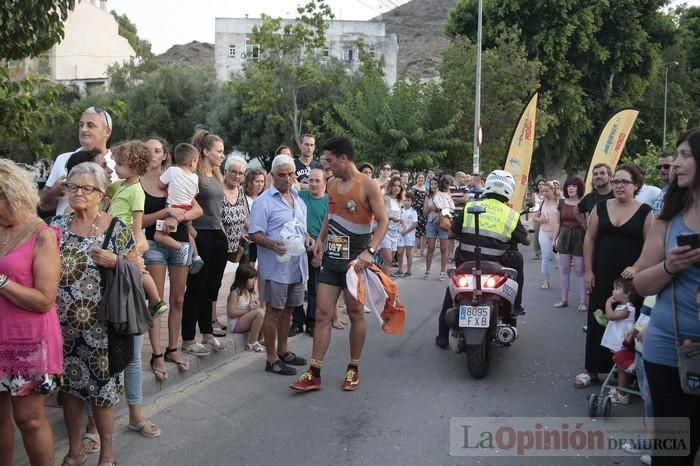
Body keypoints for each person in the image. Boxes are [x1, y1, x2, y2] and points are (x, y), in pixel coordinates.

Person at [49, 162, 135, 466]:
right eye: (72, 186)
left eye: (86, 188)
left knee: (102, 393)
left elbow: (138, 270)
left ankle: (107, 454)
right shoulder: (56, 227)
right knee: (69, 390)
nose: (78, 193)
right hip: (62, 328)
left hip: (102, 328)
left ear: (102, 194)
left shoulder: (116, 228)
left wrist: (116, 261)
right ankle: (74, 451)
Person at [290, 136, 388, 392]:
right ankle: (314, 372)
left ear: (344, 158)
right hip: (332, 260)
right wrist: (321, 240)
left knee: (355, 313)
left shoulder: (367, 185)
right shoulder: (331, 183)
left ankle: (353, 368)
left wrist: (370, 251)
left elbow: (383, 221)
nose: (327, 164)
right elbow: (329, 217)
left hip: (355, 263)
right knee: (322, 314)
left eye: (330, 159)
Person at [634, 128, 700, 465]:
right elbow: (642, 284)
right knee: (673, 452)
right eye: (677, 155)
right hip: (668, 349)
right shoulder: (667, 218)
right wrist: (670, 266)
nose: (676, 162)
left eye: (686, 155)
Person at [0, 160, 61, 466]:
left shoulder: (42, 235)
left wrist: (1, 281)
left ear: (11, 195)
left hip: (28, 343)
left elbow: (44, 300)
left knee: (29, 420)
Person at [436, 170, 531, 348]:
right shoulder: (511, 215)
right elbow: (526, 240)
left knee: (452, 291)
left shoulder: (470, 207)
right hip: (497, 266)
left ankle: (442, 336)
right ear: (509, 190)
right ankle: (516, 304)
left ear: (488, 186)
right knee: (517, 257)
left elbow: (451, 234)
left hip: (466, 264)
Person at [576, 164, 652, 389]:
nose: (619, 186)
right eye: (616, 181)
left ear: (636, 185)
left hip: (629, 279)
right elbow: (589, 239)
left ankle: (626, 373)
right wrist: (589, 270)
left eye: (624, 182)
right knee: (598, 317)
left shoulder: (645, 211)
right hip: (601, 272)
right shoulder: (601, 206)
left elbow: (650, 246)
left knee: (627, 323)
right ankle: (592, 369)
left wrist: (637, 267)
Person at [141, 137, 203, 379]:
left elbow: (197, 209)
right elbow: (141, 222)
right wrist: (165, 211)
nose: (153, 155)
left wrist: (178, 216)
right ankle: (156, 354)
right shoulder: (138, 183)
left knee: (178, 299)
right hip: (153, 243)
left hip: (181, 243)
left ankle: (172, 349)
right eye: (148, 151)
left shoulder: (176, 176)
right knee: (156, 301)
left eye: (157, 150)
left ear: (164, 154)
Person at [249, 154, 309, 376]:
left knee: (289, 310)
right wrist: (271, 244)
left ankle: (284, 351)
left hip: (297, 265)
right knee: (274, 312)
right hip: (275, 268)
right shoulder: (263, 202)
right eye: (281, 175)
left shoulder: (298, 199)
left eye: (290, 174)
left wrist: (309, 238)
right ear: (272, 176)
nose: (287, 178)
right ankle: (271, 358)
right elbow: (254, 233)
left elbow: (301, 229)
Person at [181, 130, 228, 356]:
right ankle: (188, 339)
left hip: (217, 234)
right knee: (196, 289)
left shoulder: (217, 175)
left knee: (212, 287)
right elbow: (185, 206)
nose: (222, 155)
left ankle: (207, 333)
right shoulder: (194, 177)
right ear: (205, 151)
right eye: (219, 151)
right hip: (201, 234)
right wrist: (192, 234)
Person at [110, 141, 168, 317]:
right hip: (112, 235)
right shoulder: (119, 185)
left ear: (134, 167)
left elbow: (137, 221)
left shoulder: (136, 191)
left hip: (125, 236)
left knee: (140, 268)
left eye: (120, 164)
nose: (116, 168)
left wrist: (134, 241)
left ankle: (156, 299)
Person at [40, 107, 117, 216]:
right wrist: (53, 192)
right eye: (81, 125)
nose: (84, 129)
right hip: (62, 230)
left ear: (107, 131)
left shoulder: (119, 165)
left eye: (90, 125)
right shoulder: (63, 159)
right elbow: (43, 205)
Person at [154, 143, 203, 273]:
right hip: (188, 209)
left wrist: (167, 187)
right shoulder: (195, 177)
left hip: (174, 209)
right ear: (192, 162)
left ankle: (181, 248)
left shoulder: (172, 171)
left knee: (158, 236)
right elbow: (194, 194)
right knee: (188, 233)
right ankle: (196, 256)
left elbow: (159, 185)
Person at [291, 168, 328, 337]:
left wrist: (320, 253)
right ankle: (297, 322)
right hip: (300, 247)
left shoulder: (329, 201)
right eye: (310, 180)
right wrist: (306, 236)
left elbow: (332, 229)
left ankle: (312, 322)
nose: (313, 184)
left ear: (324, 183)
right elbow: (295, 220)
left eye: (317, 181)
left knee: (314, 288)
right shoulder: (300, 197)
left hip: (319, 250)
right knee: (297, 285)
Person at [219, 156, 249, 333]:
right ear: (226, 172)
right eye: (233, 171)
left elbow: (245, 216)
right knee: (214, 283)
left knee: (238, 280)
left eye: (240, 173)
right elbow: (217, 218)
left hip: (237, 244)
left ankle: (236, 312)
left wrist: (251, 230)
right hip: (220, 243)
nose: (237, 176)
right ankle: (212, 319)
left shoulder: (240, 191)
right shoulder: (219, 190)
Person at [598, 277, 638, 405]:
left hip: (623, 342)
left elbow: (612, 316)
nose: (613, 291)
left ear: (627, 293)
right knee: (620, 366)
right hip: (620, 340)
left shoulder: (627, 308)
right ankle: (622, 390)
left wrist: (608, 303)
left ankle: (622, 394)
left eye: (616, 289)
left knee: (621, 367)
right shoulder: (622, 307)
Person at [553, 176, 587, 310]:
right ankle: (564, 300)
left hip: (579, 236)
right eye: (569, 186)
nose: (571, 188)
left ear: (579, 188)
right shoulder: (561, 203)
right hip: (565, 236)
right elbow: (557, 223)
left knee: (580, 270)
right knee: (564, 270)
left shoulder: (584, 203)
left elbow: (587, 222)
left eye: (574, 186)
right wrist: (554, 239)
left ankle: (583, 301)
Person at [227, 263, 265, 352]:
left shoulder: (248, 292)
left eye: (255, 278)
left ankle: (261, 339)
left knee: (263, 310)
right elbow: (231, 313)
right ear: (242, 279)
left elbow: (247, 308)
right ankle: (252, 342)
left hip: (243, 321)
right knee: (260, 313)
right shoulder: (235, 293)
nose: (254, 281)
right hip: (235, 324)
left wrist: (254, 305)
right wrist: (248, 309)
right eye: (251, 278)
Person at [423, 176, 455, 281]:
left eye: (435, 184)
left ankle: (442, 272)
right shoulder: (428, 197)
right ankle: (427, 270)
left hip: (443, 224)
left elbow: (451, 211)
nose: (433, 186)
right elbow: (424, 213)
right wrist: (431, 208)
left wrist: (441, 209)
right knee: (431, 247)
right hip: (431, 223)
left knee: (443, 248)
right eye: (431, 184)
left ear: (439, 185)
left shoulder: (446, 196)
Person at [533, 181, 560, 289]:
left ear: (553, 190)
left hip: (557, 233)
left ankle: (564, 279)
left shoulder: (560, 202)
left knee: (559, 258)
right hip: (544, 232)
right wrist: (541, 219)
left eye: (546, 191)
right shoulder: (542, 203)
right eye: (542, 191)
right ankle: (546, 281)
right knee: (546, 256)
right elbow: (534, 217)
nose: (543, 193)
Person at [382, 175, 403, 277]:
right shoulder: (385, 198)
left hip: (395, 233)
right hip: (385, 232)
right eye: (394, 185)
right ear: (390, 186)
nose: (396, 188)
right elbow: (380, 215)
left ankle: (384, 283)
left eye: (399, 186)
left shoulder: (400, 201)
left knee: (389, 262)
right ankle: (386, 287)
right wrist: (390, 218)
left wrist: (402, 221)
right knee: (388, 260)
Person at [396, 191, 418, 278]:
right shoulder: (400, 211)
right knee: (400, 253)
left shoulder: (413, 212)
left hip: (409, 235)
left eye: (408, 200)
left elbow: (415, 224)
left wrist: (407, 231)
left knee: (408, 254)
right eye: (405, 200)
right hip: (401, 235)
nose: (406, 202)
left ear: (412, 202)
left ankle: (409, 271)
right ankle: (400, 270)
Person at [410, 172, 428, 257]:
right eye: (419, 178)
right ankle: (415, 251)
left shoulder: (426, 189)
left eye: (422, 178)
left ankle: (422, 251)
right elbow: (410, 200)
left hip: (424, 212)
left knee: (424, 232)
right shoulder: (413, 188)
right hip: (415, 212)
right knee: (416, 232)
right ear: (416, 178)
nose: (421, 179)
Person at [531, 179, 545, 260]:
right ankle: (537, 253)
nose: (541, 186)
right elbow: (532, 206)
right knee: (536, 235)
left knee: (546, 235)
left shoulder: (547, 194)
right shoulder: (534, 195)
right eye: (539, 184)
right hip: (536, 217)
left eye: (542, 184)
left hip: (545, 216)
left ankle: (547, 252)